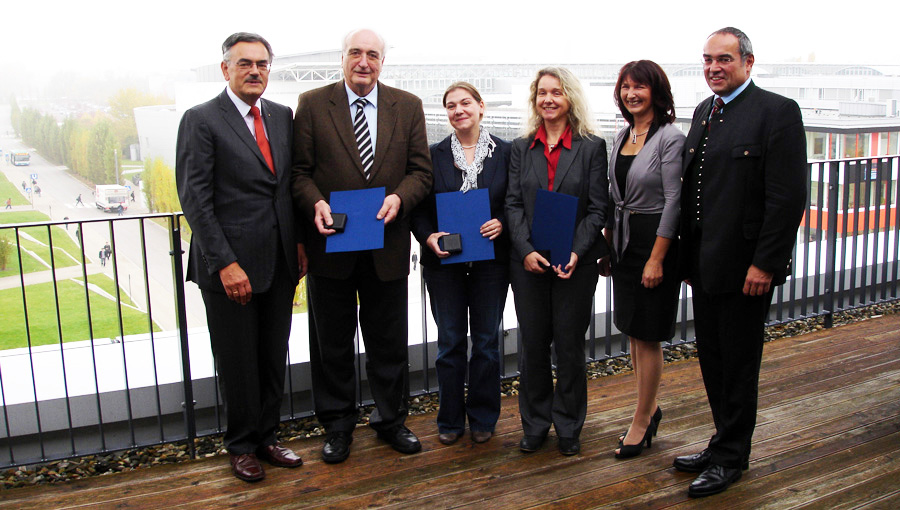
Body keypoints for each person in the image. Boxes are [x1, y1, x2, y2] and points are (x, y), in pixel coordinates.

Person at [674, 27, 807, 497]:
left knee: (739, 363)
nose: (714, 67)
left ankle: (733, 458)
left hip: (747, 269)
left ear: (748, 62)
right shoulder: (704, 112)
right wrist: (686, 259)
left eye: (724, 59)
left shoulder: (777, 112)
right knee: (712, 359)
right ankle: (722, 439)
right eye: (708, 59)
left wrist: (765, 264)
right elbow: (695, 192)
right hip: (705, 265)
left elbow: (787, 198)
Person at [291, 28, 433, 463]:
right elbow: (299, 173)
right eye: (356, 52)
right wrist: (315, 202)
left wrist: (399, 198)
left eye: (372, 54)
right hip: (330, 247)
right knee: (331, 344)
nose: (363, 62)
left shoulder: (407, 107)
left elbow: (421, 172)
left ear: (382, 61)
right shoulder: (313, 104)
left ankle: (391, 421)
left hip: (386, 246)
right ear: (343, 57)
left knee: (389, 343)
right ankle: (337, 427)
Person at [176, 32, 307, 483]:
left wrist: (300, 243)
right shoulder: (202, 120)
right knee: (237, 361)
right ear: (225, 69)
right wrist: (225, 262)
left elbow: (286, 188)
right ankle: (241, 445)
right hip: (230, 266)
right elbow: (195, 198)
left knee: (273, 355)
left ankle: (268, 437)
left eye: (263, 64)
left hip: (280, 261)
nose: (255, 71)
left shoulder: (281, 116)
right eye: (245, 63)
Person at [505, 67, 609, 456]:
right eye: (541, 93)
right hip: (529, 262)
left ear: (570, 99)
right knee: (532, 346)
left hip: (574, 265)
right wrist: (525, 249)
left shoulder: (591, 147)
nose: (548, 99)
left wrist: (576, 252)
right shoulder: (521, 147)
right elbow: (512, 203)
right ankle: (535, 424)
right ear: (535, 100)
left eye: (556, 92)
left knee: (568, 347)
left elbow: (599, 209)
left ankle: (568, 425)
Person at [411, 82, 511, 445]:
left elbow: (515, 200)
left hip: (491, 264)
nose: (458, 110)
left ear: (481, 106)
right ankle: (450, 418)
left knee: (486, 342)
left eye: (465, 102)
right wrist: (428, 237)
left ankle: (484, 417)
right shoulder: (432, 155)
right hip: (445, 266)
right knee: (450, 343)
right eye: (450, 105)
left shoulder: (506, 152)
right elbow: (419, 210)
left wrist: (503, 221)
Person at [598, 61, 684, 459]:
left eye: (640, 87)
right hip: (624, 243)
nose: (631, 94)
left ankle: (642, 418)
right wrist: (609, 246)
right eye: (626, 87)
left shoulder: (669, 137)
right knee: (633, 329)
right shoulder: (622, 135)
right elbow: (616, 196)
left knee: (648, 334)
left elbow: (673, 200)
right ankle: (648, 406)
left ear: (656, 91)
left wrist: (657, 259)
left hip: (653, 241)